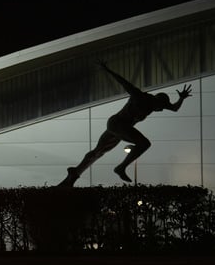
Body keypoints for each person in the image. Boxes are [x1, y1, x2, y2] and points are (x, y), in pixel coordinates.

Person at [59, 61, 193, 186]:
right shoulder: (140, 96)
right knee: (144, 143)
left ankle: (74, 174)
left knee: (98, 152)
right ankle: (120, 168)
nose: (160, 110)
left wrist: (181, 98)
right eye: (161, 107)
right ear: (157, 100)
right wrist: (107, 70)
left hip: (118, 128)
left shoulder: (154, 105)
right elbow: (124, 82)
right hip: (117, 124)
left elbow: (174, 108)